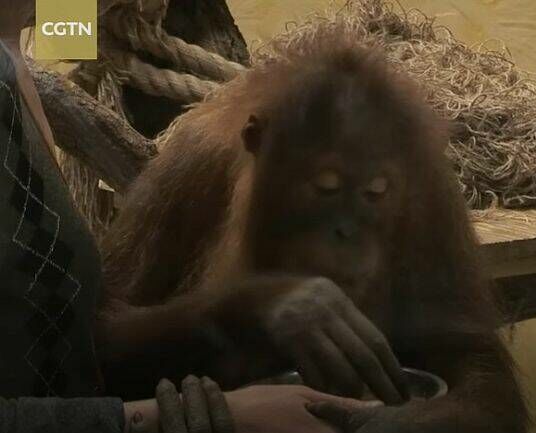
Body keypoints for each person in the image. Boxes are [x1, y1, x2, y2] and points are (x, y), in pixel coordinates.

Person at [0, 4, 377, 432]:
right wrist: (160, 417)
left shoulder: (14, 67)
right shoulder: (205, 156)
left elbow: (74, 337)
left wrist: (248, 311)